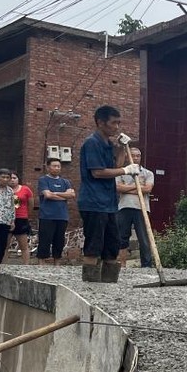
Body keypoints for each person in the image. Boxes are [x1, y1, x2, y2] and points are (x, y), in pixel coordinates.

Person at [78, 105, 136, 283]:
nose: (117, 127)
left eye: (119, 123)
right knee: (94, 245)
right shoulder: (92, 143)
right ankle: (90, 284)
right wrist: (126, 170)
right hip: (93, 202)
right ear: (100, 122)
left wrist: (120, 149)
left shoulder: (108, 144)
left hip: (109, 203)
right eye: (114, 123)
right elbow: (98, 172)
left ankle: (109, 285)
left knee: (112, 245)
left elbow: (115, 167)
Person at [115, 148, 155, 268]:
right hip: (124, 207)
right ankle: (122, 264)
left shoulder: (148, 173)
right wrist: (137, 187)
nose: (136, 158)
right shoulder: (121, 172)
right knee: (122, 236)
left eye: (138, 156)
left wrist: (127, 188)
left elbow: (148, 189)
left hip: (141, 208)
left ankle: (146, 265)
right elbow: (117, 188)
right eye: (133, 155)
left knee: (144, 237)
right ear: (128, 156)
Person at [36, 157, 74, 265]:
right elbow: (47, 195)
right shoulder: (43, 180)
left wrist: (55, 193)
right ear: (48, 167)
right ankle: (41, 264)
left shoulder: (65, 181)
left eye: (59, 166)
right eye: (54, 166)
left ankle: (57, 263)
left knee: (59, 241)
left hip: (62, 216)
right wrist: (63, 195)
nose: (57, 168)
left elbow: (72, 195)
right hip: (47, 216)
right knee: (45, 240)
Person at [9, 173, 34, 264]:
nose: (12, 180)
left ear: (18, 179)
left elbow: (31, 204)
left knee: (23, 245)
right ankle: (3, 265)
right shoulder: (5, 190)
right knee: (4, 245)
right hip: (7, 219)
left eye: (14, 178)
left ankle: (26, 265)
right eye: (10, 178)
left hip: (21, 218)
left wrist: (27, 214)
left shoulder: (25, 189)